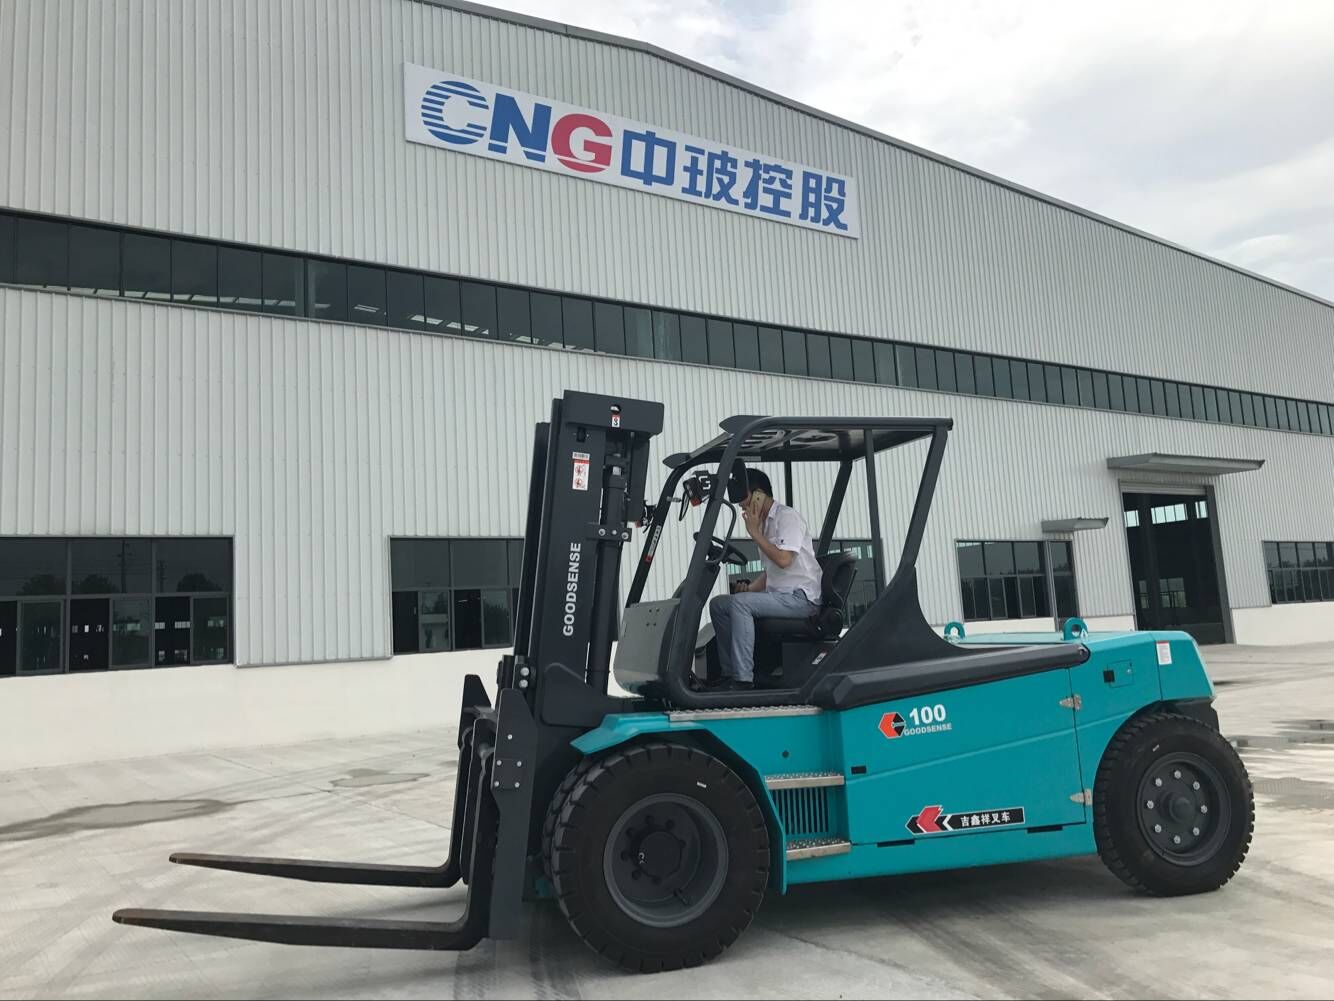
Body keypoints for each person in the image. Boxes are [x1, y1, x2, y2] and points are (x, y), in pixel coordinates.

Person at [708, 470, 822, 691]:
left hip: (802, 599)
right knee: (719, 605)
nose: (743, 510)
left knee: (740, 604)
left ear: (759, 495)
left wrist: (754, 533)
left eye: (745, 503)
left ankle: (743, 680)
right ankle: (728, 673)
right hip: (780, 596)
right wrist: (749, 589)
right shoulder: (763, 525)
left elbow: (784, 560)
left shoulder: (787, 518)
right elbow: (771, 573)